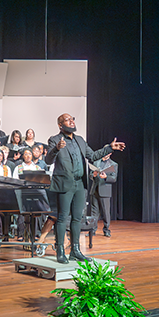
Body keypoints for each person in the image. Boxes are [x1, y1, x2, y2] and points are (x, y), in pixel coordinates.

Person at [45, 113, 125, 264]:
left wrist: (109, 148)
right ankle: (60, 250)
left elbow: (93, 155)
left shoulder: (80, 140)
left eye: (72, 119)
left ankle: (75, 250)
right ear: (60, 125)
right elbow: (48, 159)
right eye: (68, 119)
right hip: (64, 184)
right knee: (62, 218)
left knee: (77, 218)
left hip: (80, 184)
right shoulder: (54, 140)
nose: (72, 121)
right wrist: (56, 148)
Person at [90, 152, 118, 237]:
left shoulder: (113, 164)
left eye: (107, 153)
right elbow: (90, 175)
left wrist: (106, 177)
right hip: (95, 189)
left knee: (105, 212)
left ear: (110, 154)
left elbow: (114, 178)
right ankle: (92, 230)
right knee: (94, 212)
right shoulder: (96, 162)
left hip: (105, 191)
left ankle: (106, 230)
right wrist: (93, 175)